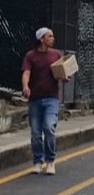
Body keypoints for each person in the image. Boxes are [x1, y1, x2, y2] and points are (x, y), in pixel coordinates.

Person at [21, 27, 69, 175]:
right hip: (35, 99)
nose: (53, 39)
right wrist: (25, 86)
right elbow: (26, 72)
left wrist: (64, 77)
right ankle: (37, 162)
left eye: (52, 36)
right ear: (41, 39)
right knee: (36, 133)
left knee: (48, 128)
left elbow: (62, 73)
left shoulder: (56, 55)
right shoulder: (30, 56)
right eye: (50, 36)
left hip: (51, 99)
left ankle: (50, 161)